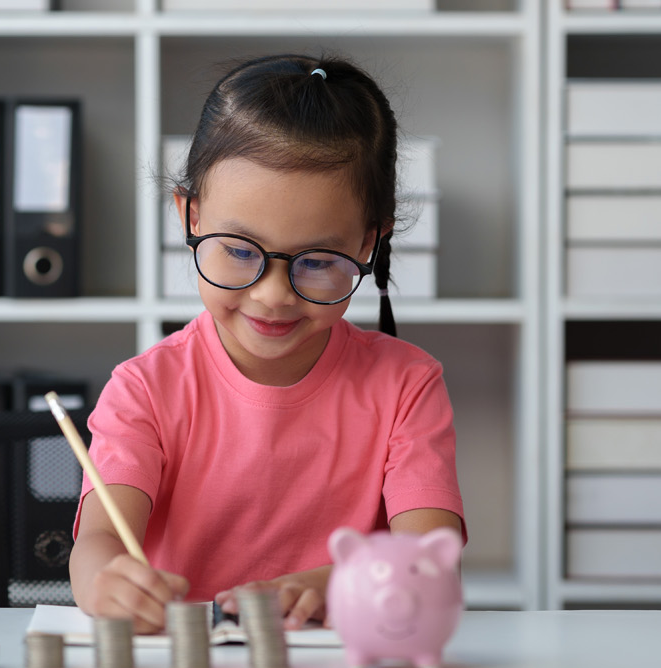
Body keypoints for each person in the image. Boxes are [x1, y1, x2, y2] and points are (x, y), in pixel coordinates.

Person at [69, 53, 465, 634]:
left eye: (318, 261)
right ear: (190, 217)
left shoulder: (407, 386)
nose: (273, 295)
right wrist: (106, 581)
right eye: (238, 250)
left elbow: (432, 563)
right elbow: (98, 542)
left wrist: (329, 586)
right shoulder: (144, 390)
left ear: (370, 243)